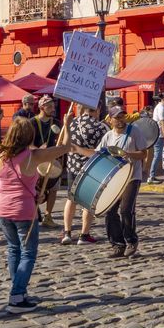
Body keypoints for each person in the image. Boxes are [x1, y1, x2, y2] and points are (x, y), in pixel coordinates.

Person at [0, 117, 76, 313]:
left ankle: (18, 290)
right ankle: (16, 296)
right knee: (28, 253)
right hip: (22, 209)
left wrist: (34, 192)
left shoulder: (0, 155)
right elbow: (65, 147)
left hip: (2, 208)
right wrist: (67, 124)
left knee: (14, 249)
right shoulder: (33, 156)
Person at [79, 106, 146, 257]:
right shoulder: (108, 136)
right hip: (114, 178)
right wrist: (77, 150)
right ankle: (117, 244)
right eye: (117, 117)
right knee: (110, 211)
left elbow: (143, 153)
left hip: (132, 176)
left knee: (126, 210)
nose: (120, 120)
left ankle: (131, 241)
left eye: (122, 116)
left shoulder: (134, 132)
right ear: (110, 119)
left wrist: (127, 154)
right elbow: (97, 153)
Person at [61, 104, 106, 245]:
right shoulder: (101, 127)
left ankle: (67, 233)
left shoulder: (72, 123)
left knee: (71, 199)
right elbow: (103, 151)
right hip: (91, 168)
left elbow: (64, 144)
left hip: (72, 167)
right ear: (97, 110)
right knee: (88, 201)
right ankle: (84, 235)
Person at [30, 96, 61, 228]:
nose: (53, 109)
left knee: (53, 189)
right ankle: (32, 214)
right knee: (33, 189)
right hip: (36, 160)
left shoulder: (57, 123)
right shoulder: (32, 122)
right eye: (50, 106)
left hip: (51, 160)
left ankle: (48, 216)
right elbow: (28, 145)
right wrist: (38, 149)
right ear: (42, 107)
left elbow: (62, 141)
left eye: (53, 106)